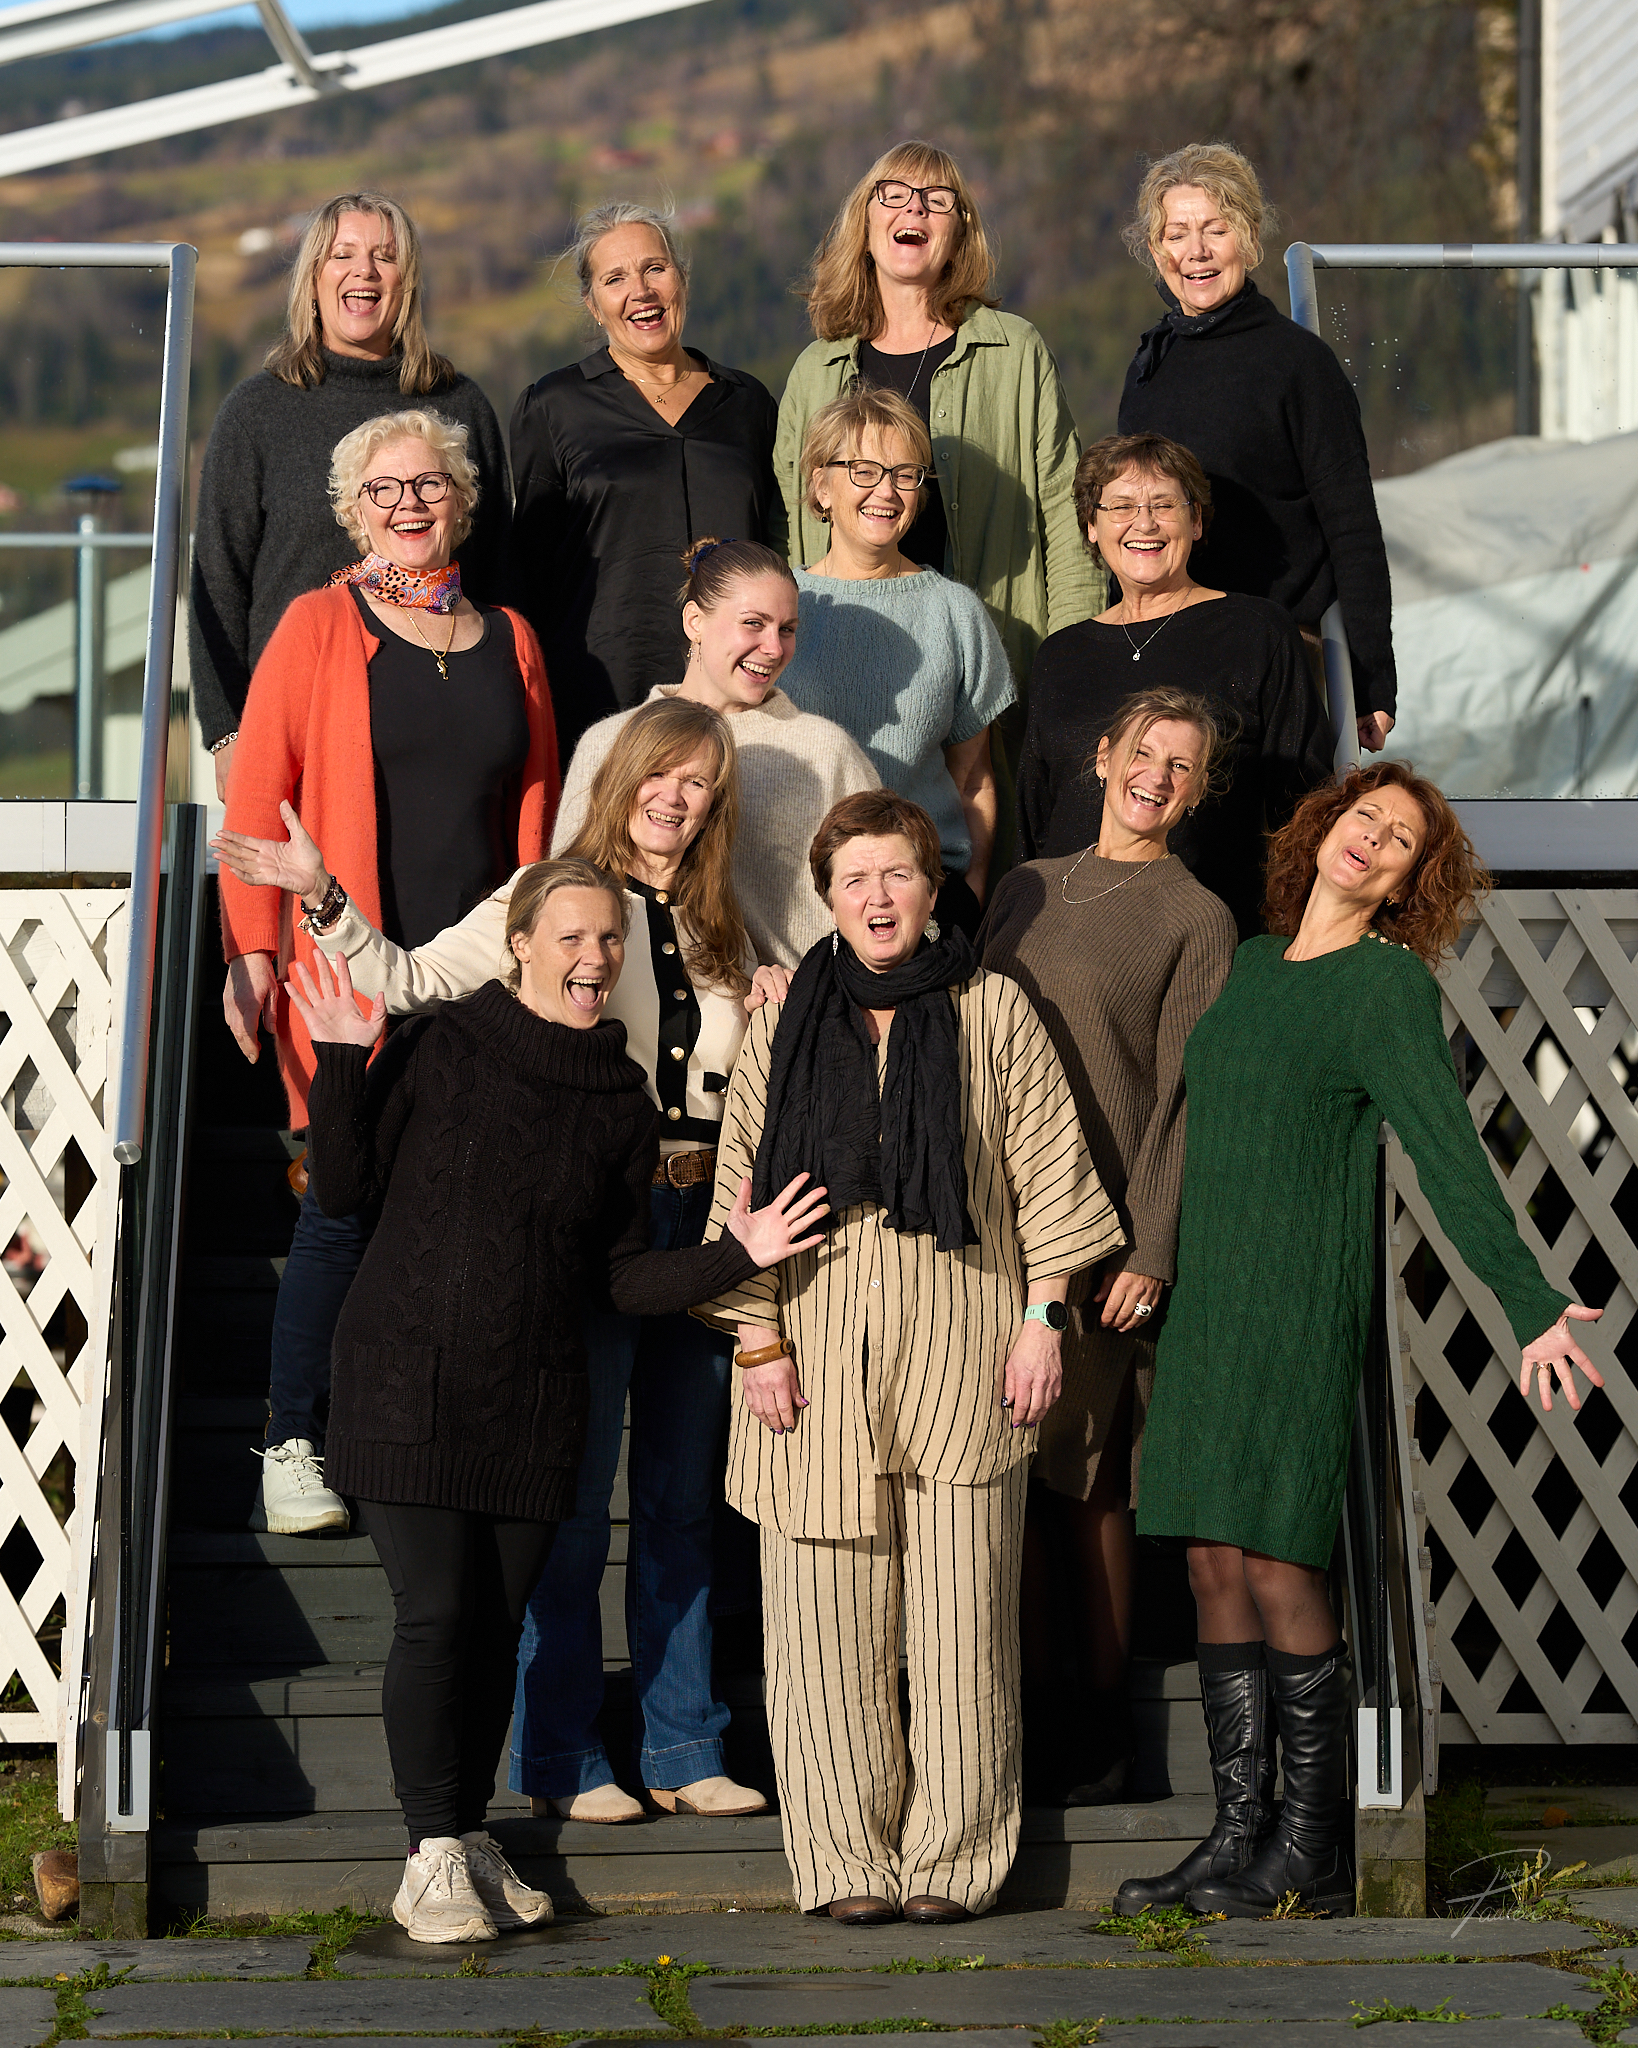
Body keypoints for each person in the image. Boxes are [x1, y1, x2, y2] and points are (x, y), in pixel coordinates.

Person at [213, 700, 778, 1822]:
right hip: (589, 1215)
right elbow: (409, 981)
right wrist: (321, 898)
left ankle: (683, 1743)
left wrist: (780, 994)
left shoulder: (727, 919)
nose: (675, 797)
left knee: (680, 1501)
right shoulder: (553, 899)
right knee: (573, 1502)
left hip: (707, 1211)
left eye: (699, 781)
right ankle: (562, 1752)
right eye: (660, 773)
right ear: (621, 778)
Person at [290, 859, 828, 1941]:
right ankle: (428, 1853)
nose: (594, 957)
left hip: (533, 1401)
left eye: (610, 939)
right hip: (407, 1383)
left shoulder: (621, 1101)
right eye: (571, 936)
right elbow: (344, 1191)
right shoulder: (443, 1042)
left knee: (495, 1631)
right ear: (522, 944)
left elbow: (617, 1277)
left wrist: (737, 1251)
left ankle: (467, 1833)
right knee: (439, 1616)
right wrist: (344, 1056)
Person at [1121, 762, 1604, 1920]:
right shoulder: (1249, 962)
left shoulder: (1386, 987)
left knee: (1278, 1556)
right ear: (1325, 828)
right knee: (1210, 1557)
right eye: (1364, 818)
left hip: (1293, 1298)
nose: (1372, 841)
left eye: (1398, 841)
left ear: (1406, 882)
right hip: (1209, 1298)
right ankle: (1235, 1834)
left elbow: (1445, 1147)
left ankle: (1312, 1844)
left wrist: (1528, 1297)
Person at [693, 788, 1124, 1924]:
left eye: (897, 874)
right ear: (826, 899)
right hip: (813, 1351)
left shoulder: (993, 1010)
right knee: (820, 1629)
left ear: (934, 889)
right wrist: (755, 1338)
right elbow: (741, 1190)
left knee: (964, 1622)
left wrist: (1044, 1319)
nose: (877, 897)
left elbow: (1047, 1173)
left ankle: (954, 1859)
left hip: (969, 1350)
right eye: (855, 880)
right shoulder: (784, 1022)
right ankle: (844, 1862)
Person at [215, 408, 558, 1539]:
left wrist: (541, 960)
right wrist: (251, 953)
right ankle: (292, 1441)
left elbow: (538, 812)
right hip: (343, 964)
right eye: (384, 489)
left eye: (429, 485)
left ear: (462, 501)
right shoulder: (318, 624)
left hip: (477, 974)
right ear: (354, 510)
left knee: (455, 1206)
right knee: (342, 1203)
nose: (408, 504)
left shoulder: (512, 636)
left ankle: (414, 1441)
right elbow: (256, 800)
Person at [979, 687, 1237, 1806]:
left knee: (1084, 1486)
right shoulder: (1026, 884)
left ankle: (1100, 1739)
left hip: (1099, 1238)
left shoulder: (1195, 916)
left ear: (1199, 790)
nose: (1157, 776)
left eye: (1182, 765)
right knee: (1015, 1485)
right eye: (1144, 751)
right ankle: (1026, 1725)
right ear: (1101, 756)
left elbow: (1187, 1098)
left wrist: (1152, 1246)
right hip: (994, 1225)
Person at [775, 141, 1101, 787]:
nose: (915, 208)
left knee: (986, 827)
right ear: (865, 224)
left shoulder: (1015, 352)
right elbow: (787, 531)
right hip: (842, 670)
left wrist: (1073, 666)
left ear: (959, 232)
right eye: (893, 194)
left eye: (937, 199)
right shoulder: (815, 370)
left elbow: (1069, 521)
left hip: (998, 663)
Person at [191, 192, 513, 797]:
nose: (363, 271)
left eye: (384, 257)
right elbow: (218, 579)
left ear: (406, 282)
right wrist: (228, 733)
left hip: (438, 722)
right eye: (343, 255)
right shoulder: (257, 412)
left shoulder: (459, 405)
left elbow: (497, 573)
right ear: (313, 278)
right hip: (295, 726)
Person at [1116, 143, 1397, 755]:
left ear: (1247, 238)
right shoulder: (1149, 368)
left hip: (1279, 666)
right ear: (1156, 251)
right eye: (1176, 234)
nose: (1196, 251)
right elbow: (1129, 526)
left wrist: (1372, 680)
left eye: (1215, 230)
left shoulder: (1299, 364)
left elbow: (1352, 528)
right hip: (1168, 660)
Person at [1016, 432, 1331, 939]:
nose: (1144, 523)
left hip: (1209, 940)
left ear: (1196, 521)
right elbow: (1033, 818)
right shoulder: (1060, 654)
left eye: (1164, 505)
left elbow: (1305, 804)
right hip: (1067, 936)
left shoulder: (1256, 631)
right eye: (1121, 506)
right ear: (1091, 526)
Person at [510, 203, 785, 761]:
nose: (641, 291)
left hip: (737, 694)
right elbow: (526, 573)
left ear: (681, 279)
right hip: (600, 696)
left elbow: (778, 547)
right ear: (593, 304)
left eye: (655, 268)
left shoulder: (747, 403)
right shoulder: (553, 406)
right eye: (615, 279)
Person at [552, 539, 879, 966]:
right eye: (753, 623)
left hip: (798, 998)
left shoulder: (827, 751)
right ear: (695, 621)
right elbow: (560, 898)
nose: (774, 648)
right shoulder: (609, 742)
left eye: (787, 629)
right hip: (637, 997)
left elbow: (885, 890)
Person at [776, 387, 1015, 940]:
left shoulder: (954, 612)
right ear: (821, 486)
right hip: (793, 902)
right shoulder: (780, 606)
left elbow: (973, 778)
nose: (886, 491)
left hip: (922, 906)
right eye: (864, 470)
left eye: (905, 475)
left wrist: (973, 891)